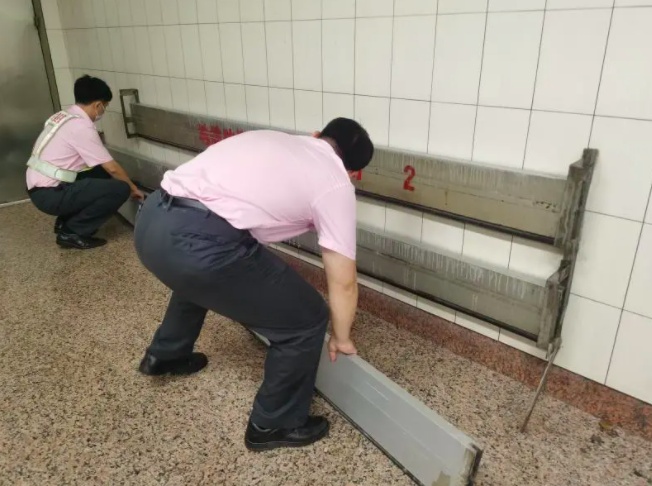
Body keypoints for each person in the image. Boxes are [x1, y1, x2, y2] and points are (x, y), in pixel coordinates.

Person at [134, 118, 374, 451]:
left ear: (317, 135)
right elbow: (344, 282)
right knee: (307, 317)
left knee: (200, 277)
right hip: (197, 244)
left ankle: (166, 355)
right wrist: (341, 337)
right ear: (353, 172)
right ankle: (274, 423)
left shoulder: (275, 138)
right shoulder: (336, 184)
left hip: (151, 218)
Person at [26, 74, 144, 249]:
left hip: (39, 187)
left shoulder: (63, 116)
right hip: (50, 194)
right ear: (98, 105)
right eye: (105, 106)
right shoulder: (81, 127)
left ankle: (64, 222)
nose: (103, 111)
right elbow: (112, 168)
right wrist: (133, 189)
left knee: (100, 174)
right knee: (120, 188)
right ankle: (72, 232)